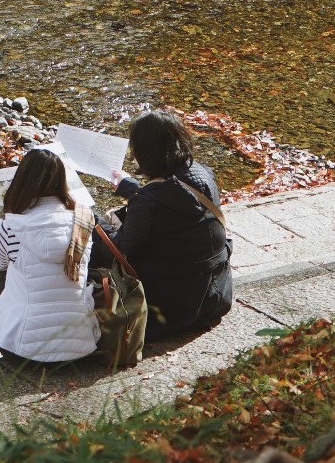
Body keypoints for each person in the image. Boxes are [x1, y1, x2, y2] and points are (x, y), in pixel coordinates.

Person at [93, 111, 232, 341]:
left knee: (97, 245)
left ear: (144, 153)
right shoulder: (204, 175)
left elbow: (120, 251)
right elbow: (175, 197)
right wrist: (130, 187)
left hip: (172, 308)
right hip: (215, 295)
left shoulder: (148, 203)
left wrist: (94, 221)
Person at [0, 145, 99, 366]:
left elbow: (1, 264)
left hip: (24, 353)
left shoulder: (12, 225)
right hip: (81, 348)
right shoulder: (83, 220)